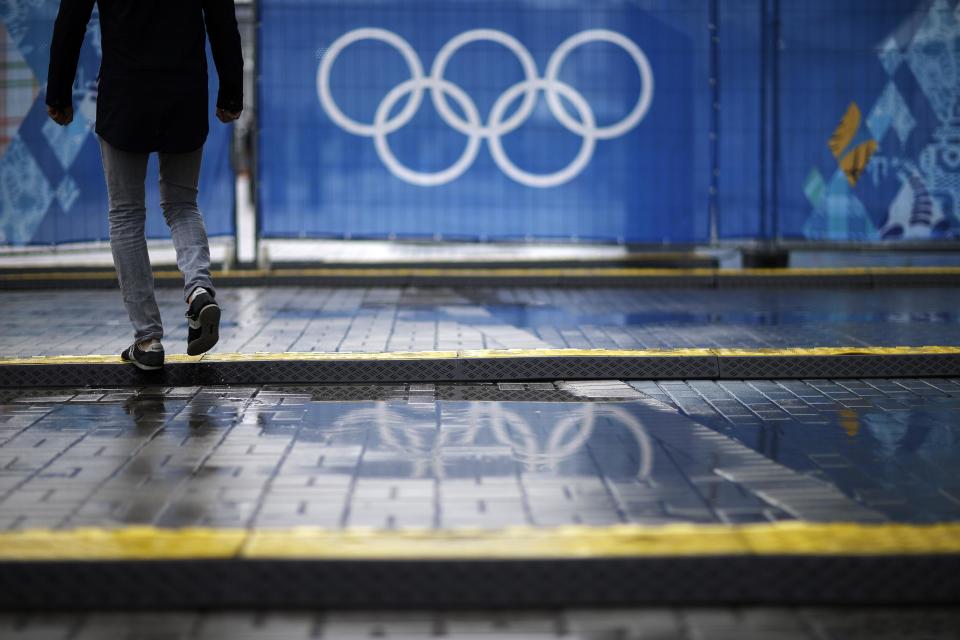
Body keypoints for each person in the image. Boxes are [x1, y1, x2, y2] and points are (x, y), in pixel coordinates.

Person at [45, 0, 243, 371]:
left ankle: (148, 340)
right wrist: (231, 92)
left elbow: (71, 18)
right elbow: (222, 17)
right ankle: (199, 291)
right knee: (182, 205)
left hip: (125, 95)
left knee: (126, 215)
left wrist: (58, 92)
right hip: (184, 93)